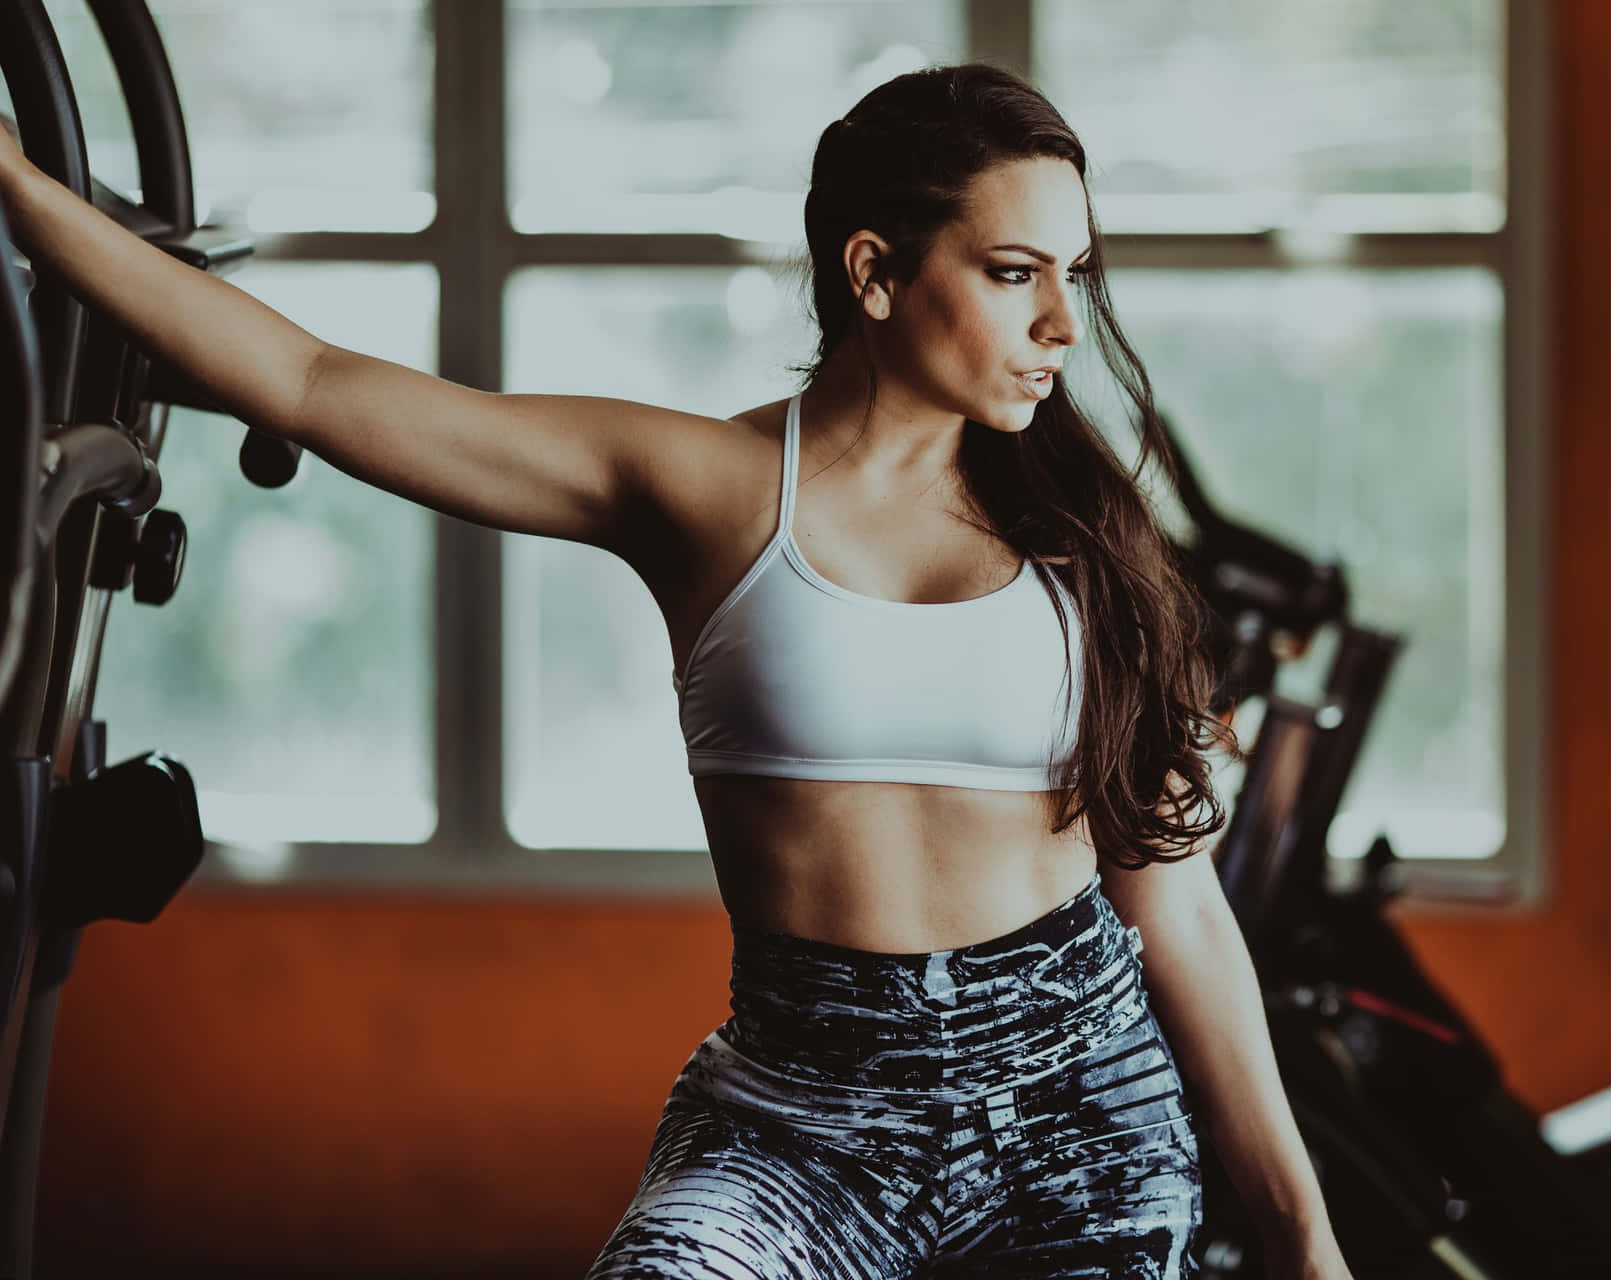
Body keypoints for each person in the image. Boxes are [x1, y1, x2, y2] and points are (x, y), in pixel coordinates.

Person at [0, 59, 1353, 1280]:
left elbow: (1172, 905)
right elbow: (310, 383)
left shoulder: (1089, 546)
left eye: (1078, 274)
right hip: (806, 1118)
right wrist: (13, 184)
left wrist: (1303, 1233)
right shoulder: (701, 490)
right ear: (874, 271)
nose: (1065, 323)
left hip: (1080, 1103)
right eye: (1015, 273)